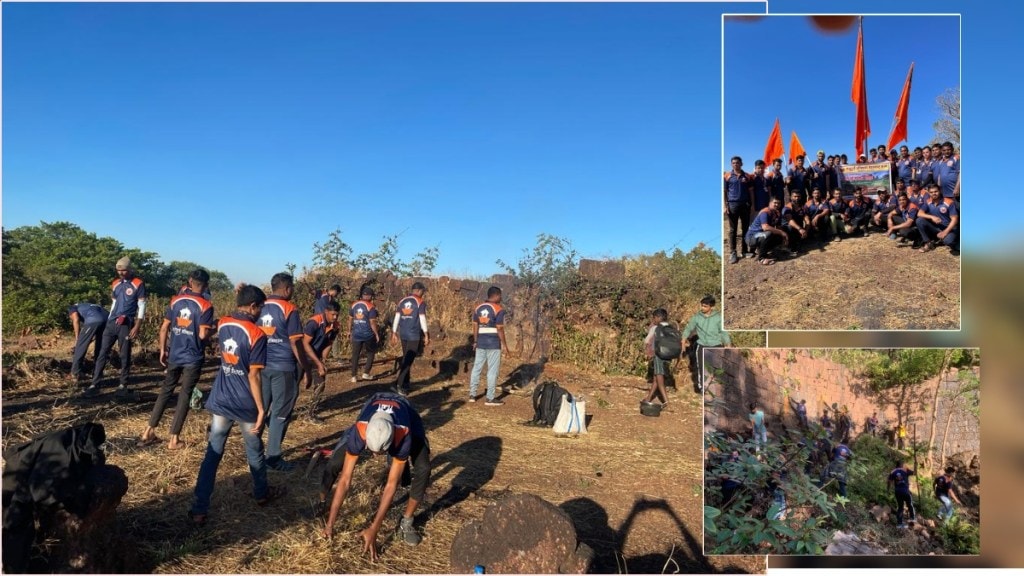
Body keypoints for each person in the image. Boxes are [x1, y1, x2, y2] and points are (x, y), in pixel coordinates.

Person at [189, 284, 286, 526]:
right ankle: (261, 493)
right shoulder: (257, 334)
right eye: (260, 308)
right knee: (254, 450)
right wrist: (262, 409)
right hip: (245, 404)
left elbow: (232, 316)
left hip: (221, 399)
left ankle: (199, 508)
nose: (261, 312)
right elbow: (254, 376)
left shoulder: (224, 324)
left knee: (212, 455)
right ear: (253, 306)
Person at [320, 392, 431, 558]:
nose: (373, 456)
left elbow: (390, 485)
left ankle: (406, 522)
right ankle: (322, 503)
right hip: (374, 401)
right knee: (336, 461)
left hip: (405, 410)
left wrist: (374, 528)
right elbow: (345, 480)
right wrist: (330, 524)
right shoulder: (361, 429)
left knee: (423, 468)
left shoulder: (404, 433)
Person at [138, 269, 215, 450]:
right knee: (185, 394)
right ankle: (174, 439)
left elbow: (164, 327)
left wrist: (163, 349)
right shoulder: (206, 306)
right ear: (207, 285)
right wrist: (215, 327)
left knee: (166, 390)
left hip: (175, 354)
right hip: (193, 357)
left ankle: (148, 431)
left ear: (189, 281)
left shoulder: (175, 301)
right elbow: (203, 334)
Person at [258, 272, 305, 471]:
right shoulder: (289, 309)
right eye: (292, 287)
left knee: (261, 409)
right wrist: (305, 366)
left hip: (261, 366)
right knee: (280, 413)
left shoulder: (259, 306)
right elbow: (295, 341)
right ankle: (273, 459)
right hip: (283, 367)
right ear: (287, 289)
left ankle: (254, 451)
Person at [83, 257, 147, 398]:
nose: (121, 273)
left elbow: (141, 305)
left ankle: (123, 384)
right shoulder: (116, 283)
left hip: (126, 323)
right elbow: (113, 304)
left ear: (130, 269)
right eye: (119, 270)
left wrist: (137, 325)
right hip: (112, 322)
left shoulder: (138, 283)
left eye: (124, 270)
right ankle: (95, 384)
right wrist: (109, 319)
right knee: (102, 352)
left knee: (124, 354)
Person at [298, 301, 341, 425]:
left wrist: (323, 361)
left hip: (316, 356)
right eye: (333, 314)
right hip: (301, 355)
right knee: (292, 387)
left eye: (337, 315)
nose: (335, 317)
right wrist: (317, 363)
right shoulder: (314, 322)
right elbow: (305, 343)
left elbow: (328, 343)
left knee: (320, 384)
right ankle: (282, 413)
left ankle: (309, 413)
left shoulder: (336, 326)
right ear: (326, 312)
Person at [680, 295, 731, 392]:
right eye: (702, 306)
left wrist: (728, 343)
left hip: (716, 345)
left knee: (716, 367)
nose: (702, 308)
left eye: (705, 306)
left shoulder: (718, 318)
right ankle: (702, 388)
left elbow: (723, 332)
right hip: (702, 345)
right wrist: (683, 338)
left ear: (711, 307)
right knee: (702, 367)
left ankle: (717, 388)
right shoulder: (696, 317)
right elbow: (689, 328)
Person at [469, 286, 510, 405]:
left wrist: (475, 341)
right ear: (496, 296)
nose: (501, 298)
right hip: (493, 343)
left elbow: (475, 326)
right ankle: (490, 398)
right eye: (500, 296)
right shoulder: (498, 309)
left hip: (480, 342)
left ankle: (472, 394)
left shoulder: (478, 308)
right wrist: (505, 345)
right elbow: (500, 329)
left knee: (477, 368)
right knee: (492, 370)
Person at [391, 281, 430, 395]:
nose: (423, 293)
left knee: (406, 359)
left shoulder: (402, 301)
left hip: (403, 334)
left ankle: (406, 383)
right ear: (418, 291)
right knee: (408, 361)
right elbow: (422, 318)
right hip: (413, 335)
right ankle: (398, 385)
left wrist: (394, 332)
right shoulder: (420, 302)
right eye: (423, 291)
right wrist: (426, 333)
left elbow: (397, 317)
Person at [724, 156, 754, 264]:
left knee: (745, 228)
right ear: (731, 164)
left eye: (737, 162)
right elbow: (724, 191)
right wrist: (725, 205)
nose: (735, 164)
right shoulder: (727, 176)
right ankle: (733, 252)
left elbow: (751, 191)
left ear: (742, 164)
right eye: (733, 163)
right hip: (732, 205)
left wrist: (752, 204)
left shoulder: (747, 176)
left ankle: (744, 251)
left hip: (745, 204)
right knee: (733, 230)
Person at [67, 302, 108, 382]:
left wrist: (77, 338)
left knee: (80, 346)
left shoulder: (72, 307)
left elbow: (76, 319)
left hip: (93, 320)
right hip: (107, 320)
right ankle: (98, 373)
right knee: (100, 348)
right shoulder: (90, 305)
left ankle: (75, 373)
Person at [349, 286, 381, 383]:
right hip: (368, 334)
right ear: (370, 296)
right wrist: (376, 333)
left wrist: (349, 331)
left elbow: (350, 319)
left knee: (355, 355)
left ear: (362, 295)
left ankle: (353, 376)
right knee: (371, 353)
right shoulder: (371, 307)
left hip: (356, 334)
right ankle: (366, 373)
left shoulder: (354, 304)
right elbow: (372, 322)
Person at [916, 184, 960, 253]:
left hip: (949, 229)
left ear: (940, 191)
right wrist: (932, 217)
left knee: (948, 241)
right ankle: (928, 243)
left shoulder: (949, 202)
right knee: (919, 220)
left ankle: (957, 241)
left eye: (936, 191)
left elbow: (955, 219)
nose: (934, 194)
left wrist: (945, 232)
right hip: (936, 228)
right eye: (931, 192)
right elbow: (919, 213)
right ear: (928, 193)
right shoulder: (928, 201)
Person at [745, 197, 788, 265]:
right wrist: (781, 232)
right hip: (752, 237)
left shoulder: (777, 213)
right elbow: (765, 227)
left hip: (761, 235)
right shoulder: (765, 212)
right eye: (775, 203)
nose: (777, 205)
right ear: (770, 203)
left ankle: (764, 250)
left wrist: (783, 236)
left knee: (778, 236)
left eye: (779, 203)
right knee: (768, 233)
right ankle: (761, 258)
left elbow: (779, 227)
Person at [643, 308, 673, 405]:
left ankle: (666, 400)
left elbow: (647, 341)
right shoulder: (670, 327)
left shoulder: (655, 328)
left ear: (659, 317)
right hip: (668, 355)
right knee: (656, 376)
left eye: (654, 317)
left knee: (659, 376)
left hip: (658, 355)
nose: (654, 320)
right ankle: (648, 398)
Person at [888, 460, 917, 528]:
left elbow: (889, 481)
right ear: (902, 465)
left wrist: (888, 489)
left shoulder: (893, 471)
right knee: (910, 504)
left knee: (900, 507)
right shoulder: (905, 470)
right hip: (905, 491)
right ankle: (912, 518)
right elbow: (914, 473)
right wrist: (916, 465)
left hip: (897, 491)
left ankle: (899, 523)